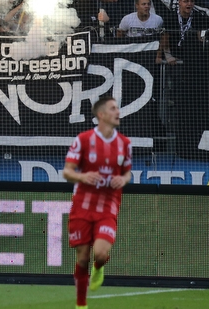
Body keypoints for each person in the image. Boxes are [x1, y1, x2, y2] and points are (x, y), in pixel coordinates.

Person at [62, 97, 132, 309]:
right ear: (101, 115)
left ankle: (99, 267)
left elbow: (128, 173)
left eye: (118, 108)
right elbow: (67, 171)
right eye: (113, 108)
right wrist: (82, 177)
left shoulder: (125, 144)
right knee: (82, 257)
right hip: (83, 204)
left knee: (100, 253)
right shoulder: (83, 139)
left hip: (108, 203)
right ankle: (81, 304)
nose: (118, 112)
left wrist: (124, 179)